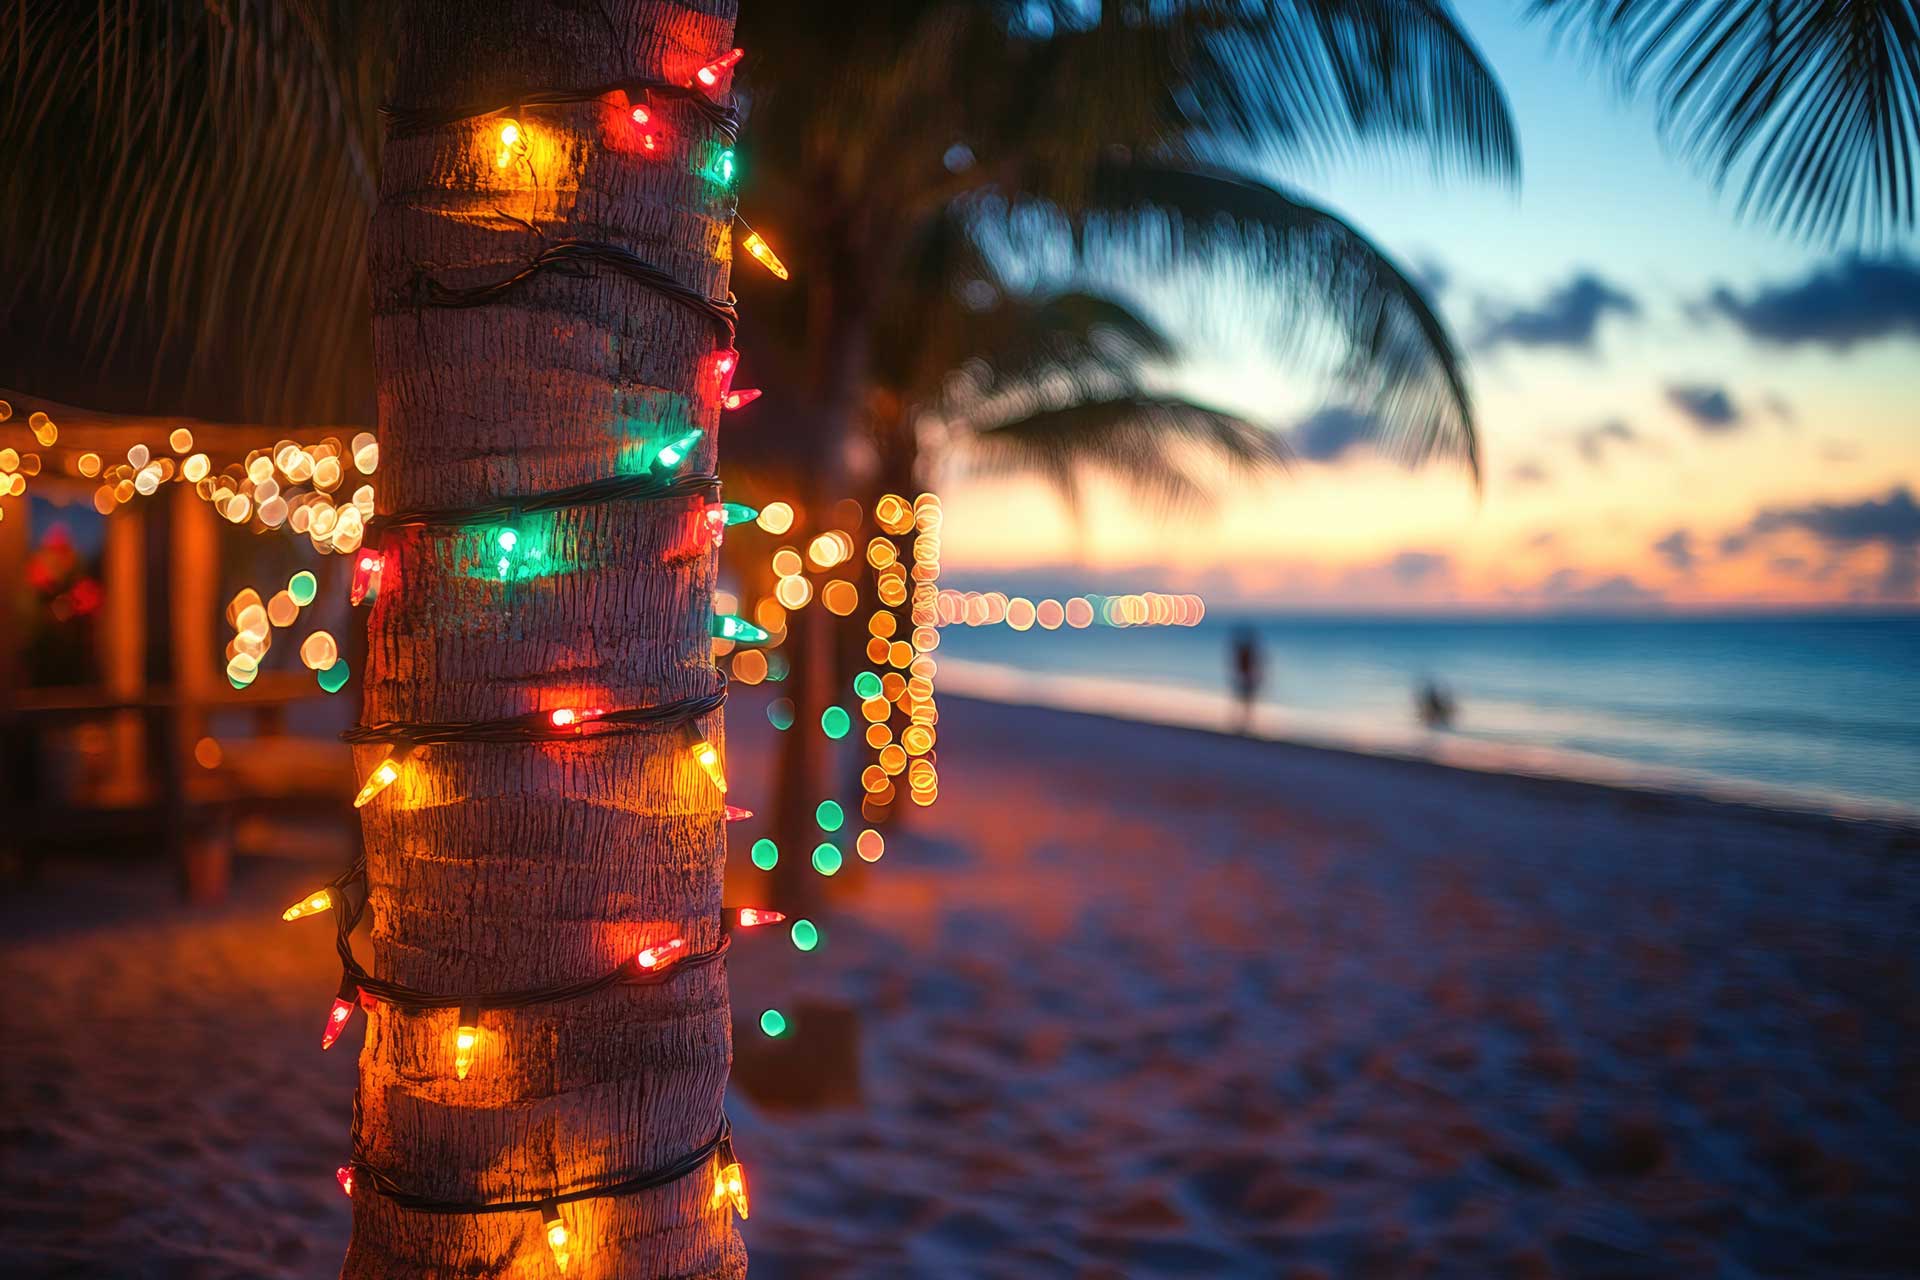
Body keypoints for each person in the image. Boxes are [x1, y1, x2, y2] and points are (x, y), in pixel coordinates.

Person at [1229, 626, 1263, 734]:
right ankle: (1242, 725)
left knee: (1245, 704)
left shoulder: (1244, 652)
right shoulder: (1246, 652)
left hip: (1246, 680)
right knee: (1245, 704)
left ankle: (1243, 725)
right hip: (1246, 680)